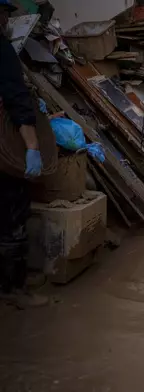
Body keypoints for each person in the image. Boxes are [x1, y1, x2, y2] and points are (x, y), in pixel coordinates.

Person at [0, 0, 49, 307]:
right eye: (3, 12)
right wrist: (32, 146)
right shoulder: (2, 49)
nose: (7, 18)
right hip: (4, 147)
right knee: (11, 210)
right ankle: (12, 289)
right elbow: (16, 98)